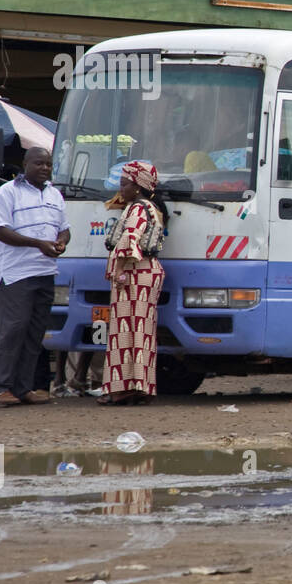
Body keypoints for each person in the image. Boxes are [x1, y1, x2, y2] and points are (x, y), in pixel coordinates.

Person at [0, 147, 69, 406]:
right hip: (15, 274)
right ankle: (0, 388)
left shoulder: (55, 195)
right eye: (38, 163)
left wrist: (61, 242)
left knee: (34, 333)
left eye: (48, 164)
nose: (44, 168)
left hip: (45, 271)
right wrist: (37, 244)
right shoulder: (7, 193)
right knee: (13, 330)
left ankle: (24, 388)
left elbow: (65, 230)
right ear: (25, 164)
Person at [99, 160, 167, 406]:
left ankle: (122, 389)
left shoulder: (137, 209)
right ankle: (140, 387)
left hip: (134, 274)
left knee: (125, 333)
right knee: (142, 333)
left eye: (125, 184)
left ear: (137, 187)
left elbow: (130, 240)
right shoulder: (151, 207)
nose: (121, 189)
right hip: (146, 274)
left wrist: (117, 270)